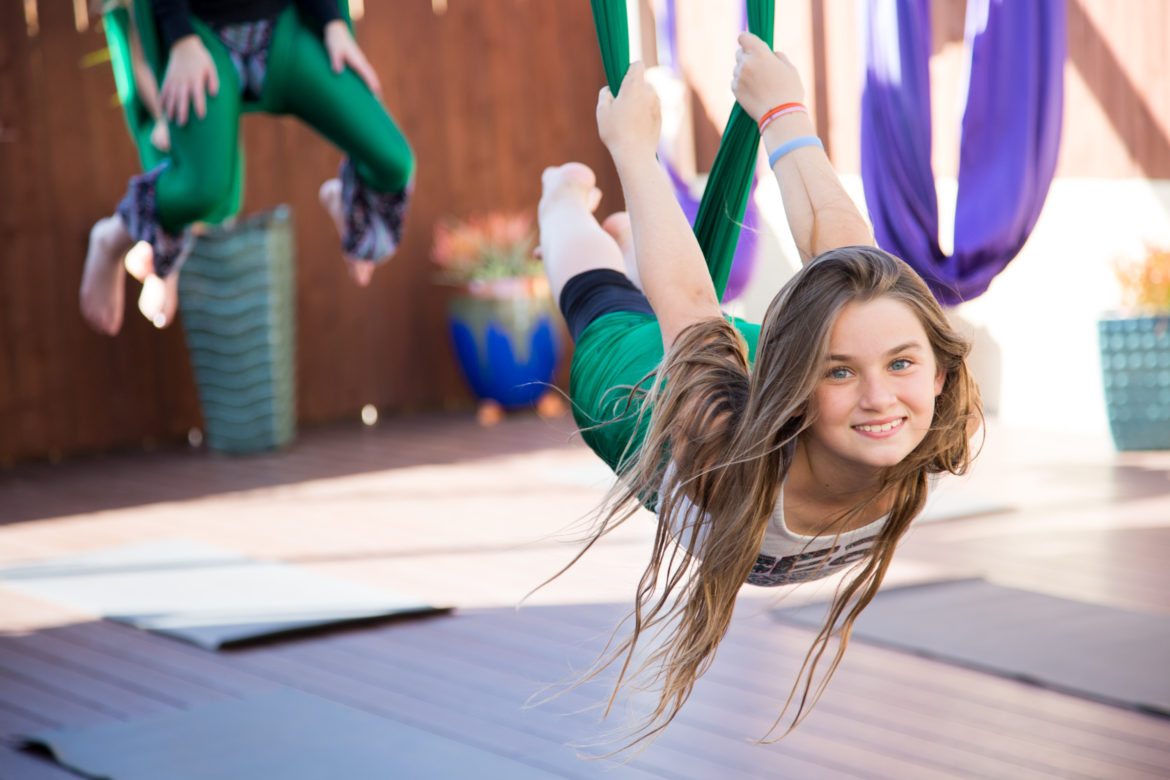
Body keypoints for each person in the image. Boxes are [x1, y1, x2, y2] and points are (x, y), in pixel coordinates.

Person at [535, 32, 981, 748]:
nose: (880, 398)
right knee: (604, 298)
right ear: (802, 385)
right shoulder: (726, 451)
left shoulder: (930, 428)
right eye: (842, 371)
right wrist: (632, 151)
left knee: (853, 294)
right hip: (645, 407)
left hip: (731, 395)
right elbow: (688, 304)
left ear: (937, 368)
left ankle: (634, 236)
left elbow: (845, 254)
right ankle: (563, 206)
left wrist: (783, 111)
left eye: (902, 364)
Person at [80, 0, 414, 336]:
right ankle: (117, 238)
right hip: (200, 37)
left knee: (394, 161)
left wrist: (334, 24)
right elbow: (136, 49)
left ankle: (351, 211)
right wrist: (181, 39)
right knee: (207, 191)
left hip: (280, 31)